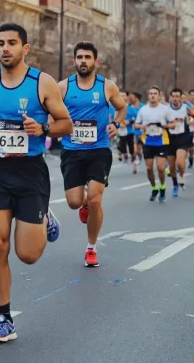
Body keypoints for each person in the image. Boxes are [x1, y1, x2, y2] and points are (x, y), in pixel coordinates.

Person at [0, 22, 71, 343]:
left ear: (25, 48)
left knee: (27, 254)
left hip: (30, 172)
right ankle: (4, 317)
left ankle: (45, 216)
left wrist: (44, 130)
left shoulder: (43, 83)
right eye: (0, 43)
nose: (5, 48)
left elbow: (66, 123)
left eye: (12, 43)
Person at [59, 41, 126, 268]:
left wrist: (115, 124)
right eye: (79, 57)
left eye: (88, 57)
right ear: (74, 61)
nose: (83, 61)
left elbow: (122, 107)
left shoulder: (107, 86)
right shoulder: (63, 87)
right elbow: (50, 110)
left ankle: (91, 248)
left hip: (98, 149)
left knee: (96, 199)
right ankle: (84, 203)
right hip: (71, 151)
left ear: (95, 62)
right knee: (74, 202)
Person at [134, 87, 175, 202]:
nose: (152, 95)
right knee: (149, 168)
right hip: (148, 141)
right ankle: (154, 188)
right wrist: (141, 126)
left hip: (161, 141)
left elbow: (173, 124)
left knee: (161, 167)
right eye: (150, 93)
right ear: (148, 95)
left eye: (155, 93)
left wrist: (163, 126)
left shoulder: (165, 109)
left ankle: (162, 187)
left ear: (159, 95)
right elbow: (136, 125)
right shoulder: (143, 110)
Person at [166, 88, 194, 197]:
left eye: (177, 96)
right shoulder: (166, 109)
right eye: (173, 96)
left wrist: (191, 121)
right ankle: (175, 184)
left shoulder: (186, 108)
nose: (175, 99)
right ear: (171, 97)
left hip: (182, 137)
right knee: (172, 166)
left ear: (181, 97)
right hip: (170, 139)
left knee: (180, 163)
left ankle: (182, 176)